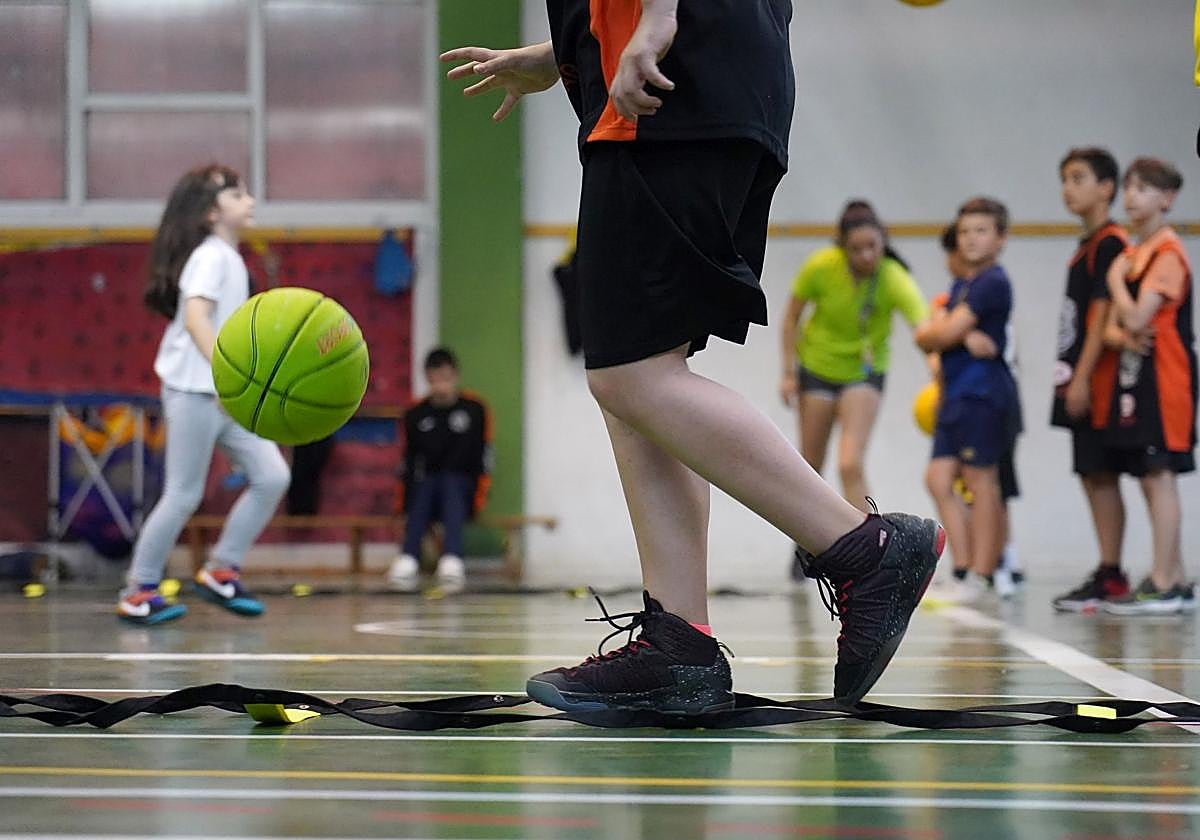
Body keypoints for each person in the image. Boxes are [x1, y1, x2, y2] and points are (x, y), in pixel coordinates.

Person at [441, 0, 944, 713]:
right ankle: (679, 645)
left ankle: (862, 547)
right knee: (639, 370)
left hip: (672, 89)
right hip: (718, 85)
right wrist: (565, 51)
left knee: (630, 373)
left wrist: (658, 20)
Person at [118, 164, 290, 625]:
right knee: (183, 494)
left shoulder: (231, 258)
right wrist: (227, 371)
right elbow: (196, 318)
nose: (250, 201)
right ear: (213, 212)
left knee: (272, 476)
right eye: (239, 194)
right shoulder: (210, 256)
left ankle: (221, 569)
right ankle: (139, 589)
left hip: (223, 396)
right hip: (194, 392)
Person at [780, 201, 928, 515]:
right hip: (817, 368)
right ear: (843, 248)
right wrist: (788, 373)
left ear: (883, 242)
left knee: (849, 463)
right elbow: (791, 317)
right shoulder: (821, 266)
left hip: (864, 372)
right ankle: (807, 547)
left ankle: (869, 547)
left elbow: (924, 329)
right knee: (809, 466)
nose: (866, 256)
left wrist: (939, 365)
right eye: (856, 249)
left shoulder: (892, 276)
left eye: (873, 247)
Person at [1098, 158, 1196, 614]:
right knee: (1147, 477)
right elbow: (1117, 331)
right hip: (1138, 379)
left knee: (1160, 476)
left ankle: (1165, 581)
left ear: (1168, 198)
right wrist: (1125, 328)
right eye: (1129, 188)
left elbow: (1136, 317)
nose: (1132, 197)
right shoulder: (1137, 254)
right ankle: (1172, 575)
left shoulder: (1166, 254)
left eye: (1144, 189)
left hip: (1166, 380)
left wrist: (1116, 281)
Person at [916, 198, 1016, 602]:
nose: (971, 239)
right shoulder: (963, 284)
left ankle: (984, 573)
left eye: (981, 231)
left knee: (981, 480)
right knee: (938, 478)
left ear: (1000, 238)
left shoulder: (993, 281)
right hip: (954, 394)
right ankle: (962, 566)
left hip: (983, 393)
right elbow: (926, 336)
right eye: (964, 232)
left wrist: (946, 331)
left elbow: (936, 334)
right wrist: (949, 333)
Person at [1049, 148, 1133, 612]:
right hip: (1079, 377)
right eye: (1065, 179)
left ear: (1107, 187)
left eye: (1079, 178)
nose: (1068, 188)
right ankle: (1107, 567)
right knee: (1091, 472)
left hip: (1099, 380)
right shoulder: (1087, 244)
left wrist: (1082, 377)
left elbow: (1102, 312)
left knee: (1103, 473)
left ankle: (1112, 570)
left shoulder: (1110, 243)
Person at [387, 348, 492, 594]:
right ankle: (408, 558)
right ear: (427, 378)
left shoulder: (474, 410)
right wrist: (402, 508)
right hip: (428, 490)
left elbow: (479, 458)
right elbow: (410, 463)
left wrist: (479, 497)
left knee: (449, 481)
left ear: (455, 376)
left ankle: (452, 558)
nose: (440, 385)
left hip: (462, 489)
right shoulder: (416, 414)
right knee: (427, 483)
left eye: (445, 378)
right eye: (435, 379)